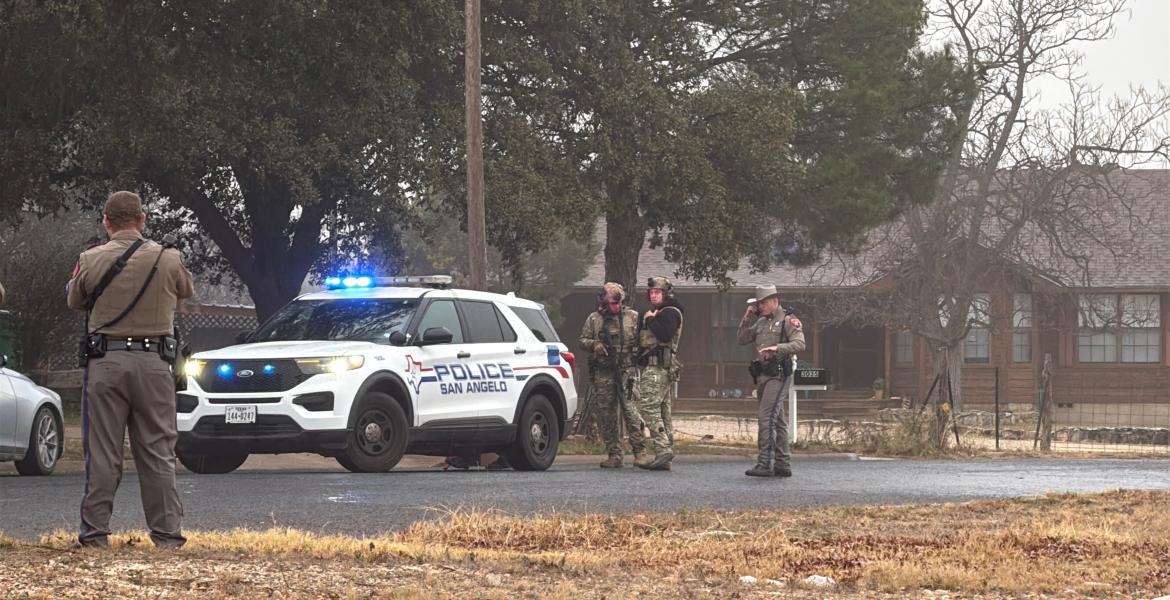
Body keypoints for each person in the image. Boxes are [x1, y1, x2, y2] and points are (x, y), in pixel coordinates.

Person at [66, 191, 195, 548]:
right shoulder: (169, 259)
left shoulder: (90, 259)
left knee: (103, 450)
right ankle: (167, 535)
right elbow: (185, 292)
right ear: (143, 218)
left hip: (106, 364)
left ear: (106, 221)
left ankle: (94, 535)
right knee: (157, 450)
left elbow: (74, 300)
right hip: (155, 363)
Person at [738, 284, 805, 478]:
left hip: (779, 373)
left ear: (775, 301)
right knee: (778, 419)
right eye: (759, 303)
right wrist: (747, 317)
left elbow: (800, 343)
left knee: (766, 416)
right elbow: (741, 339)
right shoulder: (760, 322)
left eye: (764, 302)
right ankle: (783, 463)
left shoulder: (788, 320)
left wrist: (778, 348)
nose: (761, 306)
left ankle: (765, 463)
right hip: (763, 374)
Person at [579, 282, 646, 468]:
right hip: (604, 372)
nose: (612, 307)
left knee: (631, 412)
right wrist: (595, 345)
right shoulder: (594, 319)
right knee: (607, 415)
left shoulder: (633, 317)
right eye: (608, 303)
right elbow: (582, 340)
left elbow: (643, 340)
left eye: (615, 303)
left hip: (626, 371)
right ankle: (614, 455)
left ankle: (640, 452)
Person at [633, 276, 683, 471]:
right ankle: (666, 454)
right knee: (663, 410)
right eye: (651, 292)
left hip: (658, 368)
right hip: (657, 367)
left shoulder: (670, 312)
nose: (653, 295)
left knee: (648, 406)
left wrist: (651, 319)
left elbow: (664, 334)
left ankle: (662, 449)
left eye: (657, 292)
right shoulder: (662, 311)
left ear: (666, 293)